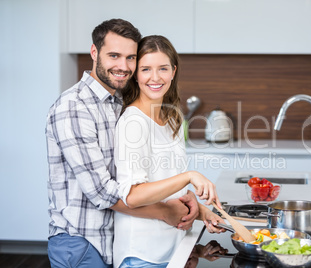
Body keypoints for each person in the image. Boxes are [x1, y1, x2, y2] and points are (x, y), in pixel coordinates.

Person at [45, 19, 200, 268]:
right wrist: (166, 209)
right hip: (82, 240)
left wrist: (182, 196)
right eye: (114, 55)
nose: (123, 66)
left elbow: (133, 175)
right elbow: (101, 192)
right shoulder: (74, 107)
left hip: (109, 238)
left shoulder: (115, 101)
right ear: (94, 52)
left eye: (130, 58)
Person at [113, 35, 225, 268]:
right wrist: (189, 176)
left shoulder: (172, 116)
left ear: (173, 71)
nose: (155, 78)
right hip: (142, 256)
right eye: (146, 69)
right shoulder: (133, 122)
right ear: (135, 74)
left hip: (174, 248)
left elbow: (169, 184)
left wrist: (203, 212)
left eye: (163, 68)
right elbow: (132, 196)